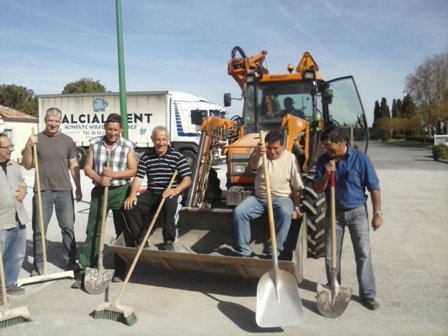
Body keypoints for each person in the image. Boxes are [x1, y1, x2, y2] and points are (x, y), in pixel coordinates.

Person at [313, 125, 383, 311]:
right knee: (330, 255)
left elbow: (374, 187)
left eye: (329, 146)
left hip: (357, 212)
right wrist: (327, 173)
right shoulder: (323, 162)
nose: (326, 150)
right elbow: (318, 189)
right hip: (333, 214)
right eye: (324, 146)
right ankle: (334, 287)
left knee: (363, 253)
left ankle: (368, 294)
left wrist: (377, 214)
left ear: (342, 141)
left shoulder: (360, 160)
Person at [72, 113, 137, 288]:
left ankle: (121, 269)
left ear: (121, 129)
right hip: (100, 190)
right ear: (105, 128)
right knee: (94, 229)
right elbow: (87, 167)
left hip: (121, 191)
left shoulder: (127, 146)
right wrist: (99, 179)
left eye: (116, 129)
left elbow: (132, 170)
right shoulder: (95, 144)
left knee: (122, 231)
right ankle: (87, 268)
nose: (112, 133)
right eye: (109, 129)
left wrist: (114, 175)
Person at [22, 107, 82, 276]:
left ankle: (70, 260)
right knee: (40, 229)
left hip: (64, 190)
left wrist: (77, 187)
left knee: (68, 228)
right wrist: (28, 146)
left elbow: (74, 165)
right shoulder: (36, 139)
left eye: (57, 121)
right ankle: (38, 263)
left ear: (60, 122)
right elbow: (27, 165)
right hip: (43, 191)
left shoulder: (68, 141)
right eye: (50, 121)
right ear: (45, 121)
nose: (53, 124)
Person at [233, 130, 304, 257]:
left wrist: (297, 207)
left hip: (282, 198)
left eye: (275, 148)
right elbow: (254, 167)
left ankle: (275, 249)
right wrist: (258, 155)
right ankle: (244, 251)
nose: (271, 151)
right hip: (259, 198)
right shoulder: (260, 155)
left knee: (285, 212)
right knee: (240, 212)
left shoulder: (290, 158)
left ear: (281, 146)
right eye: (269, 147)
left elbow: (297, 186)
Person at [124, 126, 192, 251]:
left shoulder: (177, 156)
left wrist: (175, 190)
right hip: (152, 193)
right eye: (157, 139)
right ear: (152, 139)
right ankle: (141, 239)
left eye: (163, 139)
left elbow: (187, 179)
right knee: (131, 206)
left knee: (170, 204)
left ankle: (169, 241)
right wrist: (132, 194)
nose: (160, 143)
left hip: (171, 193)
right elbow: (138, 178)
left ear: (168, 140)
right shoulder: (147, 156)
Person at [0, 133, 29, 296]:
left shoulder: (14, 165)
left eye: (11, 146)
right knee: (1, 254)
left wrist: (24, 188)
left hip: (18, 215)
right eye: (7, 147)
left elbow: (21, 180)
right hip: (2, 219)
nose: (11, 150)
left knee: (17, 253)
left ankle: (10, 284)